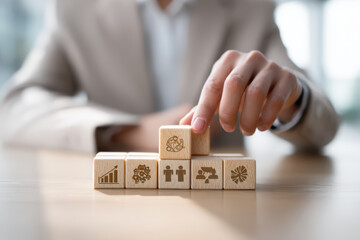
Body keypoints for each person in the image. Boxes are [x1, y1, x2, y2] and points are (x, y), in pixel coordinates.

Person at [0, 0, 339, 154]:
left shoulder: (252, 8)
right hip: (110, 211)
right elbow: (13, 107)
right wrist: (130, 131)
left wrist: (294, 101)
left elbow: (325, 121)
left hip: (227, 210)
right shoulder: (73, 8)